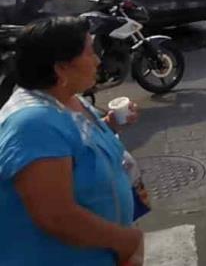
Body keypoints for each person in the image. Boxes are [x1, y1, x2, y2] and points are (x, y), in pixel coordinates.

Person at [0, 17, 144, 265]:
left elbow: (76, 142)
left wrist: (109, 123)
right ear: (61, 69)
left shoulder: (66, 97)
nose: (98, 60)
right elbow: (57, 216)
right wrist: (126, 242)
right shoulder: (33, 124)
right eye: (90, 52)